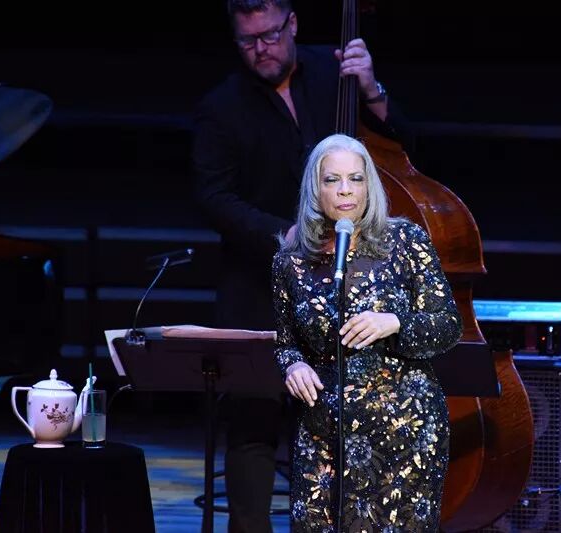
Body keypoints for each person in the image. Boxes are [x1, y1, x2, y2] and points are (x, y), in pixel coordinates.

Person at [191, 1, 407, 531]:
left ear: (292, 24)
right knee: (252, 428)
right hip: (259, 287)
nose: (260, 49)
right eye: (247, 41)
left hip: (347, 284)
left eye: (269, 35)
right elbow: (214, 197)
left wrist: (372, 90)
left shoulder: (337, 73)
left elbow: (402, 145)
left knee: (348, 427)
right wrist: (283, 234)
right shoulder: (221, 107)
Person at [271, 133, 462, 531]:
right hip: (322, 433)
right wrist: (294, 366)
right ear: (315, 188)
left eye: (355, 179)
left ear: (368, 185)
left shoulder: (405, 242)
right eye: (332, 180)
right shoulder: (291, 260)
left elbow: (448, 325)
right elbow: (286, 344)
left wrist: (395, 322)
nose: (345, 190)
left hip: (403, 431)